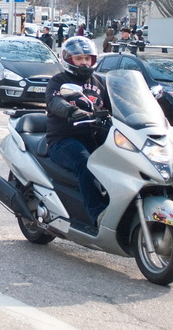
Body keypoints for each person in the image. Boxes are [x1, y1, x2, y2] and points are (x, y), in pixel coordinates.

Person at [45, 36, 110, 229]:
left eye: (87, 59)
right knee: (86, 163)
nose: (84, 62)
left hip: (94, 137)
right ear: (69, 59)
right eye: (79, 58)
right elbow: (55, 101)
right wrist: (72, 111)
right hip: (64, 139)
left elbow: (114, 105)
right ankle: (98, 215)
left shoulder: (99, 83)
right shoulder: (59, 81)